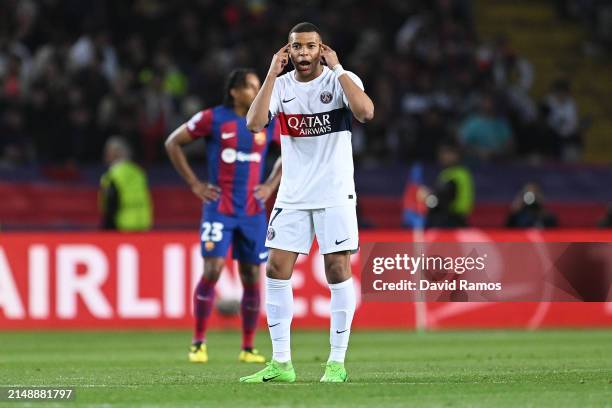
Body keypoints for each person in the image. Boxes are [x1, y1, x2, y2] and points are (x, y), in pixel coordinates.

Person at [239, 22, 374, 384]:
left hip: (334, 193)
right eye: (296, 47)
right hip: (293, 195)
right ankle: (281, 363)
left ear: (321, 49)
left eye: (310, 47)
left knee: (337, 271)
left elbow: (366, 113)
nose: (303, 53)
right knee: (276, 269)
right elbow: (254, 123)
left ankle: (336, 363)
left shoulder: (340, 81)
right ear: (288, 51)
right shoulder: (281, 87)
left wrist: (339, 68)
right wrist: (270, 73)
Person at [165, 68, 282, 364]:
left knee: (252, 277)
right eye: (252, 86)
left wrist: (270, 184)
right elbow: (173, 142)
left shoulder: (267, 121)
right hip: (220, 208)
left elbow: (290, 151)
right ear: (234, 91)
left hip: (253, 212)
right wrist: (194, 183)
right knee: (213, 270)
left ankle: (247, 347)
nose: (258, 91)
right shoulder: (213, 118)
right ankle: (198, 343)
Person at [99, 136, 153, 231]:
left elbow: (111, 204)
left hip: (121, 226)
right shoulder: (139, 173)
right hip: (142, 224)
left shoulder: (113, 176)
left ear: (116, 153)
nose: (105, 154)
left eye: (108, 151)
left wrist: (106, 227)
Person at [425, 141, 474, 228]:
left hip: (450, 222)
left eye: (447, 153)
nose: (443, 156)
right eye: (441, 153)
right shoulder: (454, 173)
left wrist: (427, 198)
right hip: (456, 220)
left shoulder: (454, 176)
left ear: (456, 155)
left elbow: (439, 201)